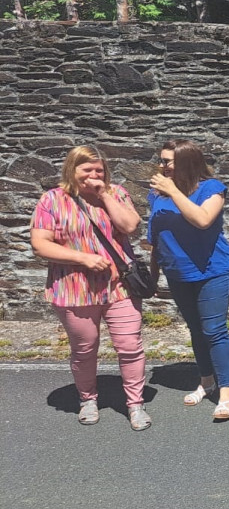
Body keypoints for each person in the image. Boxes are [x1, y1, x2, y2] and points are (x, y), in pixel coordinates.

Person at [31, 145, 151, 430]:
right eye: (88, 170)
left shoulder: (116, 193)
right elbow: (40, 243)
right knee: (85, 349)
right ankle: (88, 399)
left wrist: (105, 194)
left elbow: (131, 225)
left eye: (100, 170)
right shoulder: (52, 200)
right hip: (74, 288)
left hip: (119, 286)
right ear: (72, 170)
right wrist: (82, 258)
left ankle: (135, 404)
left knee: (130, 346)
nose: (95, 175)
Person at [148, 140, 229, 421]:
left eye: (168, 161)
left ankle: (226, 393)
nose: (162, 166)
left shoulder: (212, 188)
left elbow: (202, 220)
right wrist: (153, 274)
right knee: (196, 330)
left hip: (212, 270)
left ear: (187, 162)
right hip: (177, 272)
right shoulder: (156, 195)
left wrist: (173, 191)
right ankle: (206, 380)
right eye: (161, 161)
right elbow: (156, 237)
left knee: (214, 330)